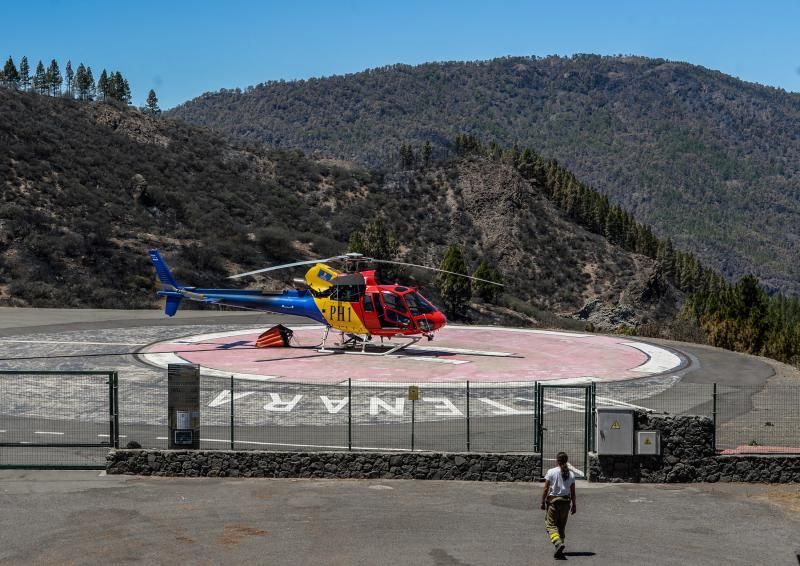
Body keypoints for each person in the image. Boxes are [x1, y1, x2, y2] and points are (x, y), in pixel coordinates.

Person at [541, 451, 577, 558]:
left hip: (554, 503)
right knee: (561, 527)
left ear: (557, 460)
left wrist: (542, 501)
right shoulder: (571, 474)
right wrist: (574, 505)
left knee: (550, 525)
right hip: (566, 503)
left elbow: (546, 488)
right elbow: (573, 492)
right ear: (567, 461)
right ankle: (560, 548)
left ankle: (557, 543)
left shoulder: (551, 472)